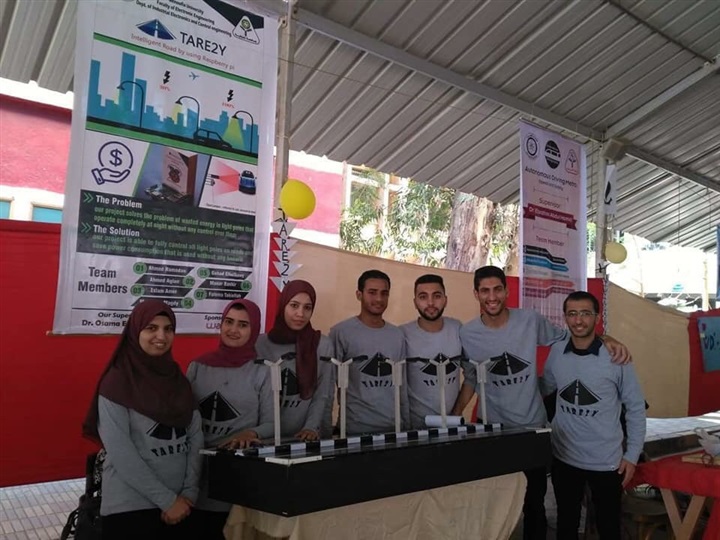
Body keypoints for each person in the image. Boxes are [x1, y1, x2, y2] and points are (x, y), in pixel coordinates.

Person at [457, 266, 631, 540]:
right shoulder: (467, 333)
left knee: (534, 503)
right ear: (476, 294)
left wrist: (606, 338)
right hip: (492, 430)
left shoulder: (530, 320)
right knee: (491, 504)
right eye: (485, 291)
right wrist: (454, 416)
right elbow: (470, 378)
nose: (492, 297)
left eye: (497, 289)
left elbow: (572, 335)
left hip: (532, 428)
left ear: (507, 291)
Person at [82, 300, 202, 540]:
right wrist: (167, 501)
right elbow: (121, 453)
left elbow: (196, 437)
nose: (161, 336)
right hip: (130, 509)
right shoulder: (116, 383)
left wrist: (190, 492)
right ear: (135, 331)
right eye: (151, 328)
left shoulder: (178, 380)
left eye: (168, 329)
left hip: (182, 505)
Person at [542, 291, 646, 539]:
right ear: (565, 317)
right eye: (572, 314)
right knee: (566, 525)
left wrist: (632, 456)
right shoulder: (557, 351)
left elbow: (635, 407)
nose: (579, 320)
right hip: (564, 457)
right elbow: (546, 388)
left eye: (586, 313)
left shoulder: (617, 357)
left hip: (607, 461)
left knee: (608, 527)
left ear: (597, 317)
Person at [186, 298, 273, 539]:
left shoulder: (262, 371)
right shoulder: (198, 366)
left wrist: (250, 433)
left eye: (243, 325)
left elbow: (272, 424)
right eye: (229, 322)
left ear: (254, 330)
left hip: (237, 476)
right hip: (196, 472)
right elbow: (183, 419)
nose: (233, 330)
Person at [329, 269, 408, 435]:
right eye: (372, 292)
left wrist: (405, 423)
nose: (379, 299)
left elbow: (402, 385)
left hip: (393, 428)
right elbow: (329, 383)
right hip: (353, 429)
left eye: (384, 293)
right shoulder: (341, 332)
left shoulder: (397, 335)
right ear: (359, 295)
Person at [255, 280, 334, 440]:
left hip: (306, 437)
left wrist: (311, 428)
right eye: (294, 305)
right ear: (283, 305)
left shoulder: (321, 344)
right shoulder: (260, 344)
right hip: (265, 438)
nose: (300, 314)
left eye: (307, 307)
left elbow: (322, 393)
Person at [401, 274, 474, 429]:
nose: (430, 303)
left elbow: (472, 374)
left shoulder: (457, 328)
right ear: (415, 302)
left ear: (445, 300)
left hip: (451, 427)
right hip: (414, 428)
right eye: (423, 297)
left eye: (437, 296)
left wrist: (456, 413)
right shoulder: (403, 334)